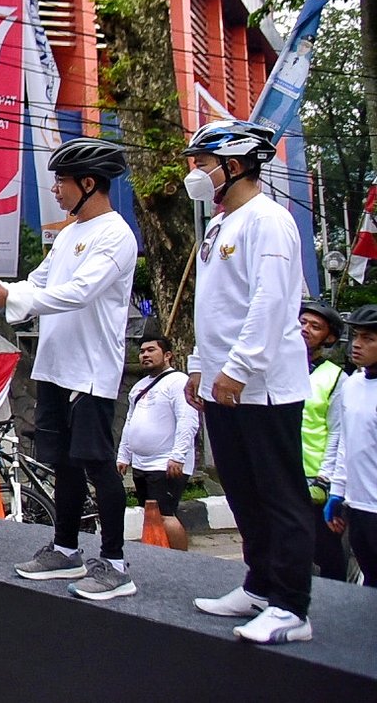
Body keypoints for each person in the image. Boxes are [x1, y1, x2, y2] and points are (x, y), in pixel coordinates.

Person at [0, 137, 139, 599]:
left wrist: (8, 296)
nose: (55, 190)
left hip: (91, 372)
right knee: (62, 464)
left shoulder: (115, 235)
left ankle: (115, 562)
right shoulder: (70, 234)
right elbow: (39, 283)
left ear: (89, 182)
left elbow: (79, 292)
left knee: (97, 464)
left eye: (61, 181)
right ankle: (65, 549)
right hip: (56, 367)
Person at [183, 119, 316, 644]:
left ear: (232, 165)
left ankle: (291, 607)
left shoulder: (269, 220)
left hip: (263, 388)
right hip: (224, 386)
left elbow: (271, 302)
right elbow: (213, 307)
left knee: (279, 495)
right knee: (242, 491)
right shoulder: (219, 225)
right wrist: (200, 365)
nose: (196, 173)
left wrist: (237, 370)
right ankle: (259, 586)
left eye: (202, 163)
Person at [116, 321, 199, 550]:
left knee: (165, 515)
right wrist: (123, 456)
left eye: (151, 350)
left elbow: (188, 420)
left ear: (168, 355)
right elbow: (130, 422)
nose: (145, 355)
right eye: (142, 351)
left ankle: (184, 560)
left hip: (166, 463)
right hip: (142, 464)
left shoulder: (178, 382)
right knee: (151, 515)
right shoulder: (139, 386)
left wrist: (178, 456)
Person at [324, 304, 377, 586]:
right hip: (358, 506)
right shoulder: (353, 385)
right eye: (356, 336)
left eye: (368, 339)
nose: (357, 345)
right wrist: (337, 492)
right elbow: (346, 441)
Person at [299, 299, 349, 580]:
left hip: (314, 477)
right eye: (302, 322)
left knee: (325, 549)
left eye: (315, 326)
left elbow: (338, 431)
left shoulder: (335, 378)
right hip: (280, 470)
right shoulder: (276, 367)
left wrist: (325, 477)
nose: (305, 329)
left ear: (329, 338)